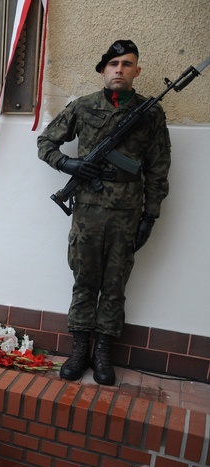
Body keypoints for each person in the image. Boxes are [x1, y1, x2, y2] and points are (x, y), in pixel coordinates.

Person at [37, 40, 171, 386]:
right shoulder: (82, 107)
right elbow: (45, 143)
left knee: (115, 284)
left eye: (127, 64)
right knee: (84, 280)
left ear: (136, 71)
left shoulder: (150, 112)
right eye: (113, 64)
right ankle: (80, 348)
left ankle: (103, 354)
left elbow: (158, 169)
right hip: (89, 211)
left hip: (128, 211)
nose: (119, 70)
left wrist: (150, 215)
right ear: (103, 70)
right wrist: (69, 163)